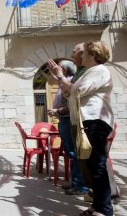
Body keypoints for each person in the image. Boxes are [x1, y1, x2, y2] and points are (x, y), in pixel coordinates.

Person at [49, 41, 114, 216]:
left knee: (97, 166)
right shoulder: (88, 72)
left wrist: (61, 78)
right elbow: (70, 94)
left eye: (84, 53)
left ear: (93, 55)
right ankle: (97, 205)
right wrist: (60, 79)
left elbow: (77, 91)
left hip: (95, 120)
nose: (80, 56)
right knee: (91, 167)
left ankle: (105, 210)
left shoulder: (100, 70)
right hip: (85, 121)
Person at [47, 60, 88, 196]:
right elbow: (54, 80)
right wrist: (53, 71)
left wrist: (57, 111)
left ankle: (80, 185)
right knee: (71, 153)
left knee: (74, 153)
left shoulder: (68, 82)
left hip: (68, 120)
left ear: (64, 70)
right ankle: (75, 182)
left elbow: (72, 103)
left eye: (59, 67)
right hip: (64, 120)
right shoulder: (63, 81)